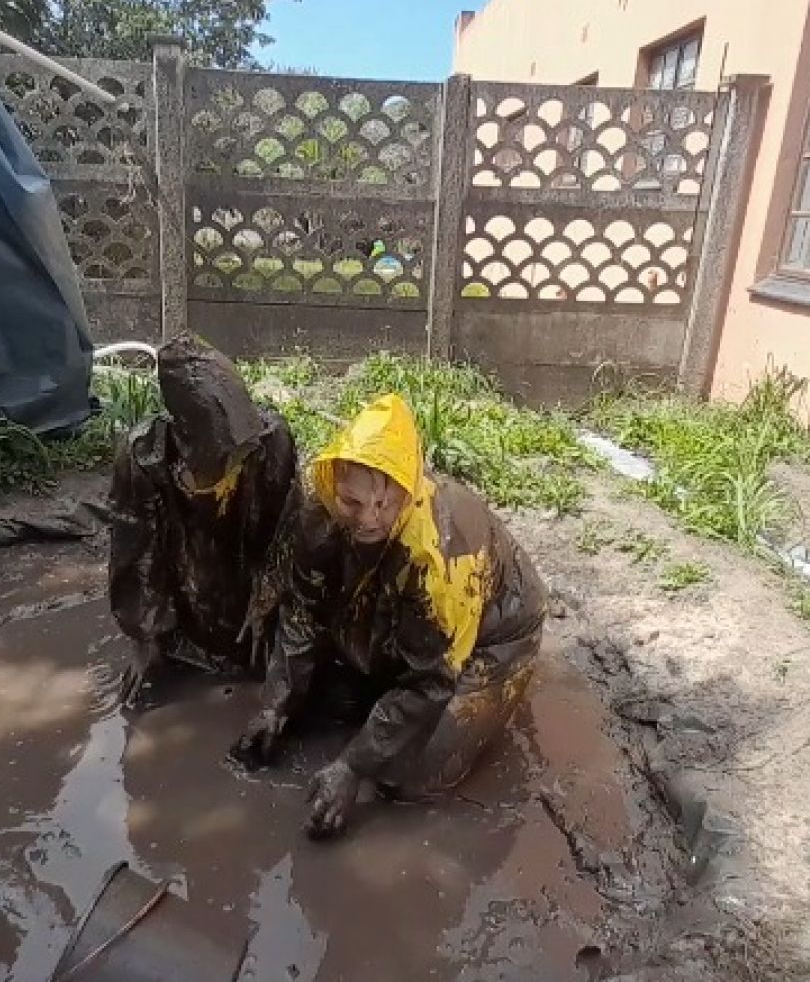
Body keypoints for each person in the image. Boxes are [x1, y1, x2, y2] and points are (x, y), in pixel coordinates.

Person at [229, 394, 546, 838]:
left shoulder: (435, 559)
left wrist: (352, 766)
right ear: (334, 485)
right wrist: (275, 704)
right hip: (398, 608)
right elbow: (301, 614)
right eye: (352, 502)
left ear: (408, 492)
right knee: (326, 705)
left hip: (494, 637)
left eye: (384, 504)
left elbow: (433, 679)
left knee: (410, 778)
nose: (368, 519)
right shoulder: (317, 513)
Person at [107, 335, 298, 700]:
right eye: (225, 453)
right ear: (187, 436)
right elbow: (134, 555)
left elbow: (284, 534)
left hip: (244, 566)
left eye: (243, 450)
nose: (238, 461)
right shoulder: (143, 455)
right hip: (185, 575)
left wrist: (266, 600)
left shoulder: (271, 442)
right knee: (179, 652)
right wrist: (144, 635)